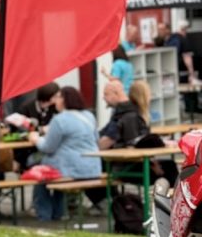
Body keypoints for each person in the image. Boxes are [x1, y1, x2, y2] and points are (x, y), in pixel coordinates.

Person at [28, 86, 102, 221]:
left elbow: (48, 148)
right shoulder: (89, 116)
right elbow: (96, 140)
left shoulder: (59, 120)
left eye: (58, 97)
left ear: (64, 100)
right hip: (93, 167)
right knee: (55, 170)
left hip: (72, 169)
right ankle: (59, 213)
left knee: (40, 171)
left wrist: (36, 139)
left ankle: (44, 215)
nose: (55, 101)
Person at [98, 79, 148, 150]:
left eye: (106, 94)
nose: (103, 97)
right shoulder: (127, 111)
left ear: (116, 93)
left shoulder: (123, 114)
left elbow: (109, 139)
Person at [166, 19, 196, 84]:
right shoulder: (183, 40)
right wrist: (192, 74)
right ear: (183, 29)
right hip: (182, 72)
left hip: (170, 71)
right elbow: (187, 58)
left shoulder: (169, 39)